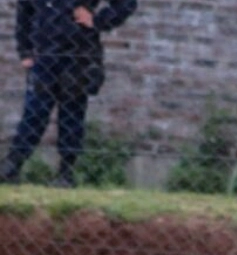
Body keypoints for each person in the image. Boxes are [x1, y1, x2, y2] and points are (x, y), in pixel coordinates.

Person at [1, 0, 137, 187]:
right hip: (44, 54)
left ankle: (66, 173)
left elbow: (126, 4)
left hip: (78, 54)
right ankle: (12, 165)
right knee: (34, 111)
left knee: (72, 115)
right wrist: (24, 51)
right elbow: (24, 11)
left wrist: (98, 21)